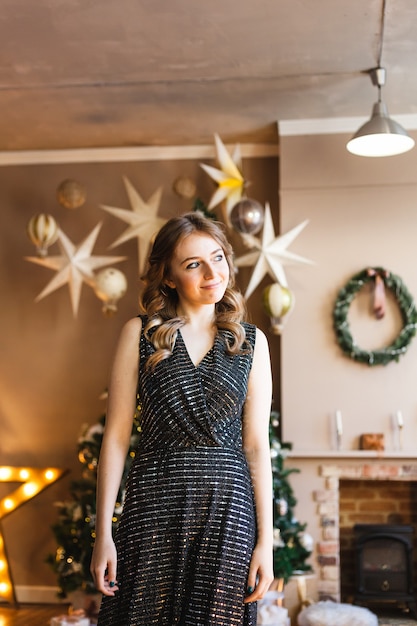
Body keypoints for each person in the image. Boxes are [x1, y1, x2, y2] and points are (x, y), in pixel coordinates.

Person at [90, 211, 274, 625]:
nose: (212, 273)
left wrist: (267, 542)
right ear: (169, 277)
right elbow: (116, 439)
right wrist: (103, 533)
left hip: (228, 510)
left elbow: (257, 447)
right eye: (194, 264)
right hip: (153, 504)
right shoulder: (138, 335)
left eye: (218, 258)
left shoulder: (252, 343)